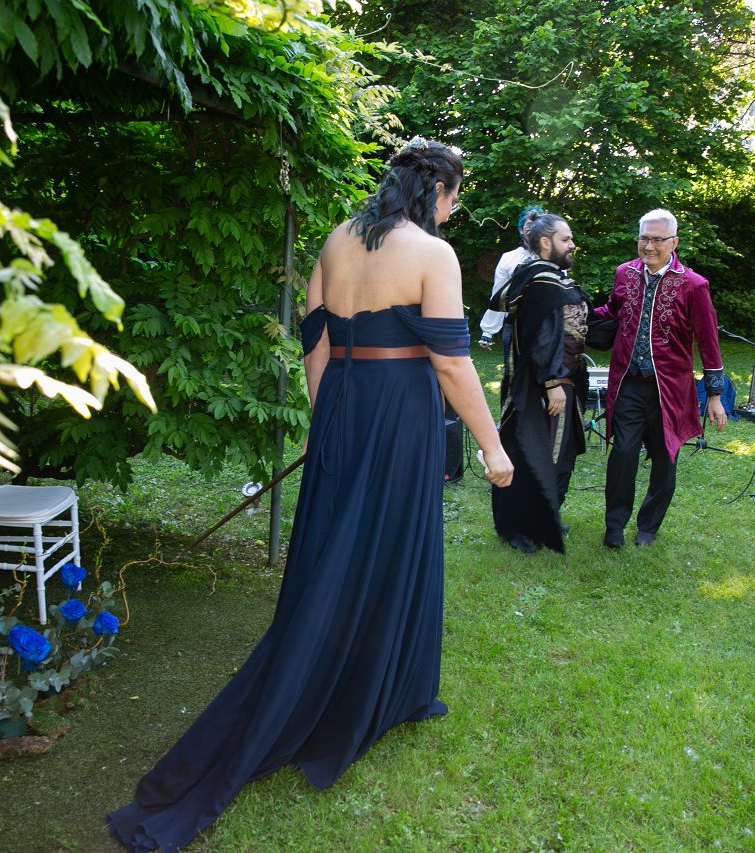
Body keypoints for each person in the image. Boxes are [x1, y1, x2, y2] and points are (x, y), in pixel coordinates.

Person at [107, 140, 513, 852]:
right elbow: (451, 362)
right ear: (435, 190)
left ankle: (374, 684)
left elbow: (315, 344)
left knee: (341, 546)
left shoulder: (335, 238)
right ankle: (367, 690)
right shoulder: (433, 253)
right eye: (455, 196)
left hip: (345, 404)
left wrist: (329, 421)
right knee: (389, 544)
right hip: (397, 409)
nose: (455, 210)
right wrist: (492, 445)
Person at [591, 209, 726, 549]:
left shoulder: (694, 285)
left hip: (671, 390)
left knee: (666, 458)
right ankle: (614, 526)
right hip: (629, 382)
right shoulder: (624, 273)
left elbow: (708, 340)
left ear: (673, 242)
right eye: (644, 239)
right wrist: (577, 310)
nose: (649, 246)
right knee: (623, 453)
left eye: (657, 239)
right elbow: (611, 310)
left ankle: (649, 526)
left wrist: (714, 394)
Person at [489, 214, 586, 554]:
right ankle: (515, 528)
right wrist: (551, 381)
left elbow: (569, 327)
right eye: (565, 239)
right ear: (546, 243)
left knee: (558, 454)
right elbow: (539, 334)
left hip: (561, 380)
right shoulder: (539, 279)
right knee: (527, 452)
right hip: (538, 385)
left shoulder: (552, 277)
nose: (572, 244)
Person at [478, 205, 544, 349]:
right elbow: (498, 294)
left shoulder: (554, 257)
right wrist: (488, 331)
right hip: (515, 327)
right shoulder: (508, 258)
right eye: (529, 225)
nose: (533, 229)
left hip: (547, 327)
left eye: (538, 225)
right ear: (521, 229)